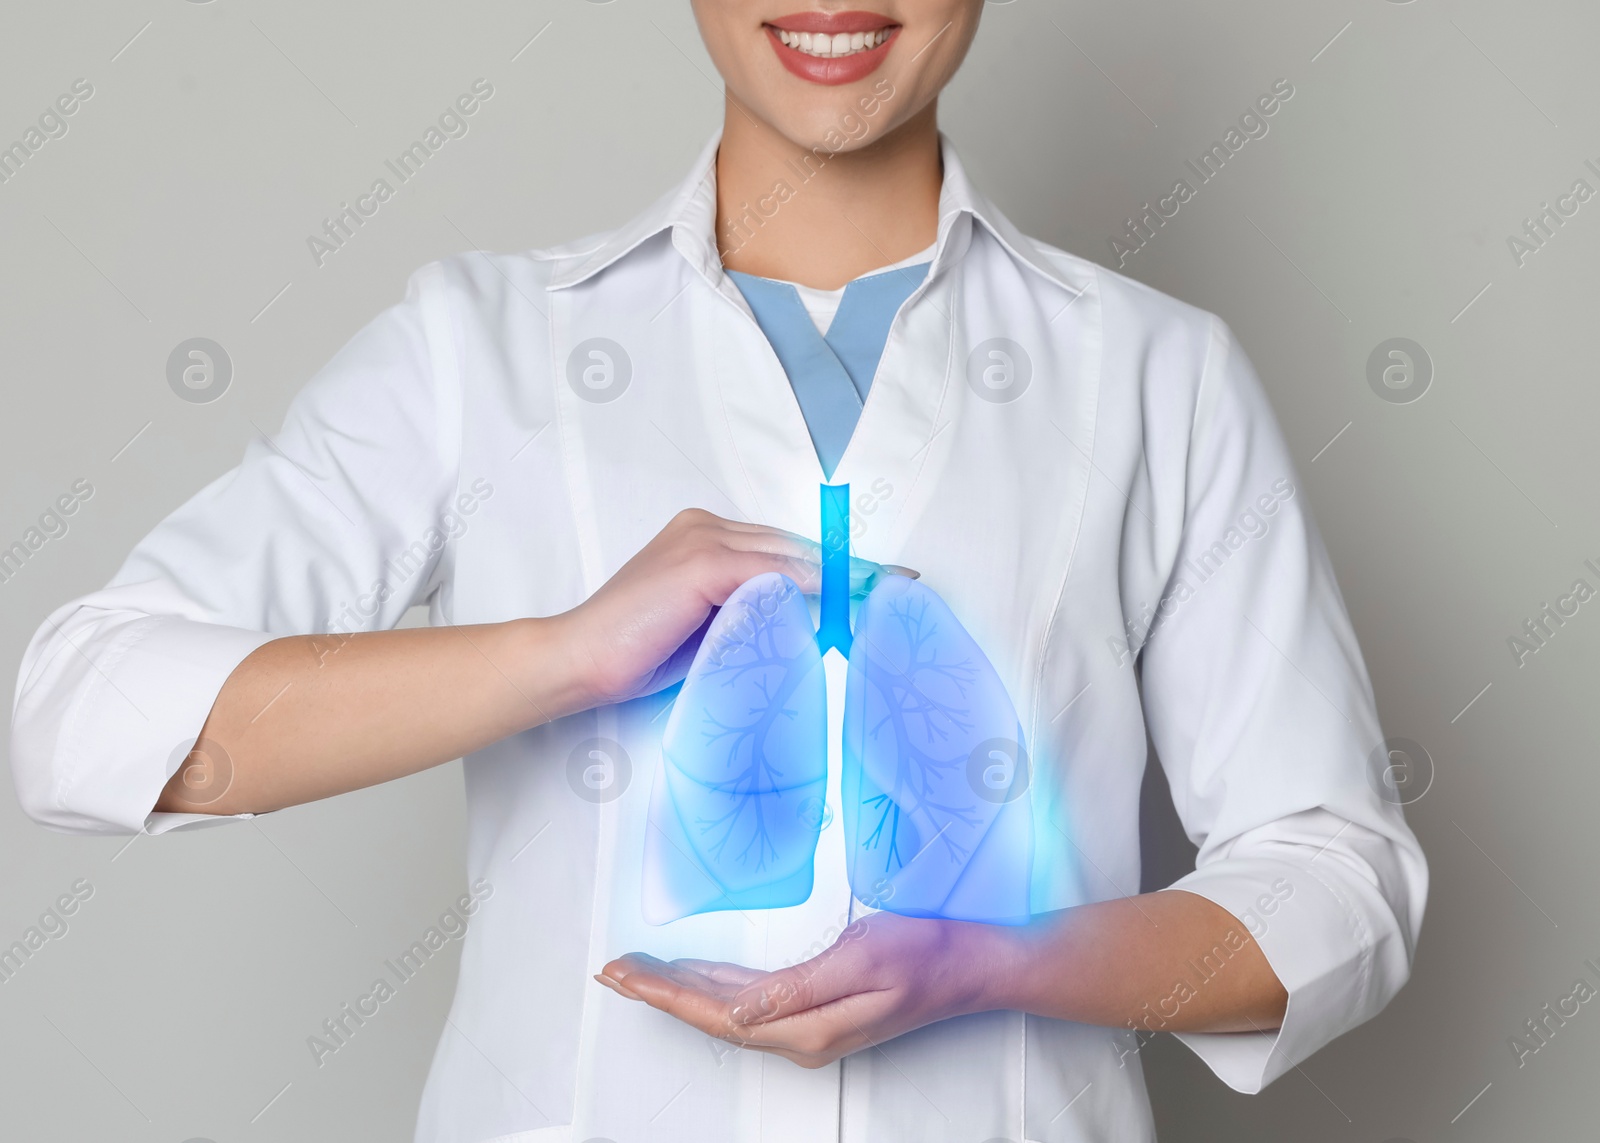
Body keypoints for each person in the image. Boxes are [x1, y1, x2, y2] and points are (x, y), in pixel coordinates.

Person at [10, 3, 1426, 1141]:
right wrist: (568, 649)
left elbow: (1339, 879)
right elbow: (84, 716)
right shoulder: (482, 349)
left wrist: (999, 965)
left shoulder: (1153, 376)